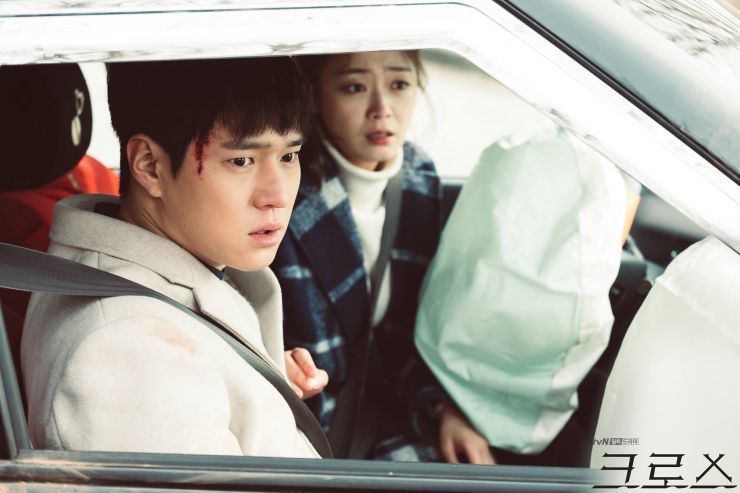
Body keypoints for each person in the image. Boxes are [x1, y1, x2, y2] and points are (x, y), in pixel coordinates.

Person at [21, 57, 321, 458]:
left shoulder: (161, 275)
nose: (278, 196)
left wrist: (264, 387)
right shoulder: (128, 349)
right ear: (149, 166)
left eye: (288, 156)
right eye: (241, 161)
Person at [271, 50, 494, 463]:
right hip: (302, 425)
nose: (382, 109)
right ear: (314, 97)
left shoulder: (417, 176)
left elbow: (404, 339)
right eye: (354, 87)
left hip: (389, 410)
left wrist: (442, 408)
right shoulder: (281, 190)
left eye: (399, 84)